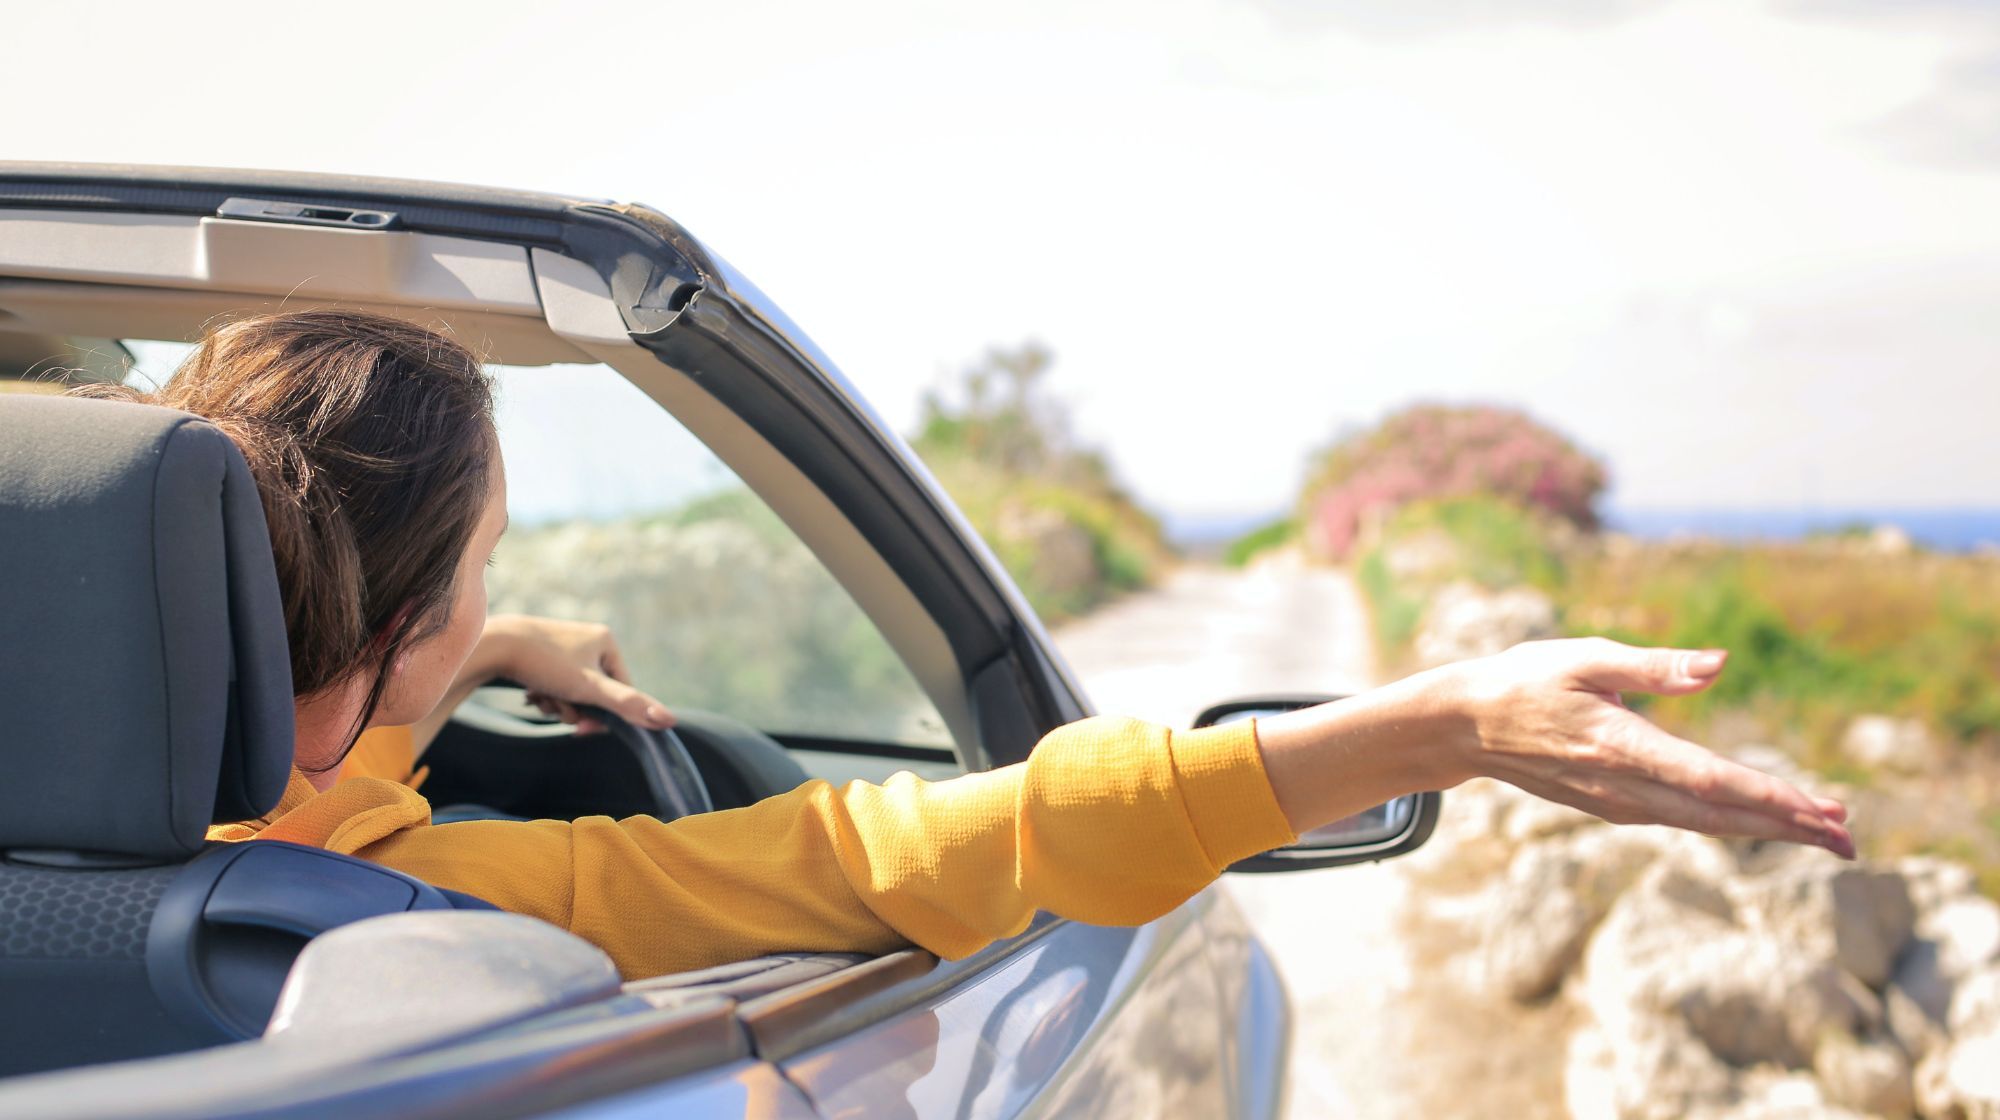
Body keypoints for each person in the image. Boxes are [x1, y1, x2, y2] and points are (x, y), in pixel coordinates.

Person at [85, 310, 1854, 981]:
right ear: (393, 624)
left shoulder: (110, 812)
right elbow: (910, 841)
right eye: (476, 570)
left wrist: (475, 649)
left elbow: (304, 738)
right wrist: (1438, 728)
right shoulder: (434, 909)